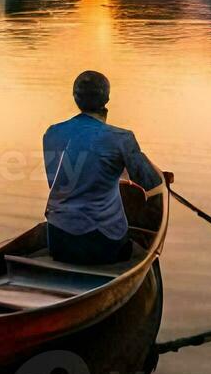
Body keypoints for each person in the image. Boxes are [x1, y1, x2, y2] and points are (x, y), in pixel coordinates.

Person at [43, 71, 165, 265]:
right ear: (107, 98)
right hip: (102, 245)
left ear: (75, 98)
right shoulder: (122, 138)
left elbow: (59, 183)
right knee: (137, 250)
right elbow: (152, 184)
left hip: (58, 243)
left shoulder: (52, 133)